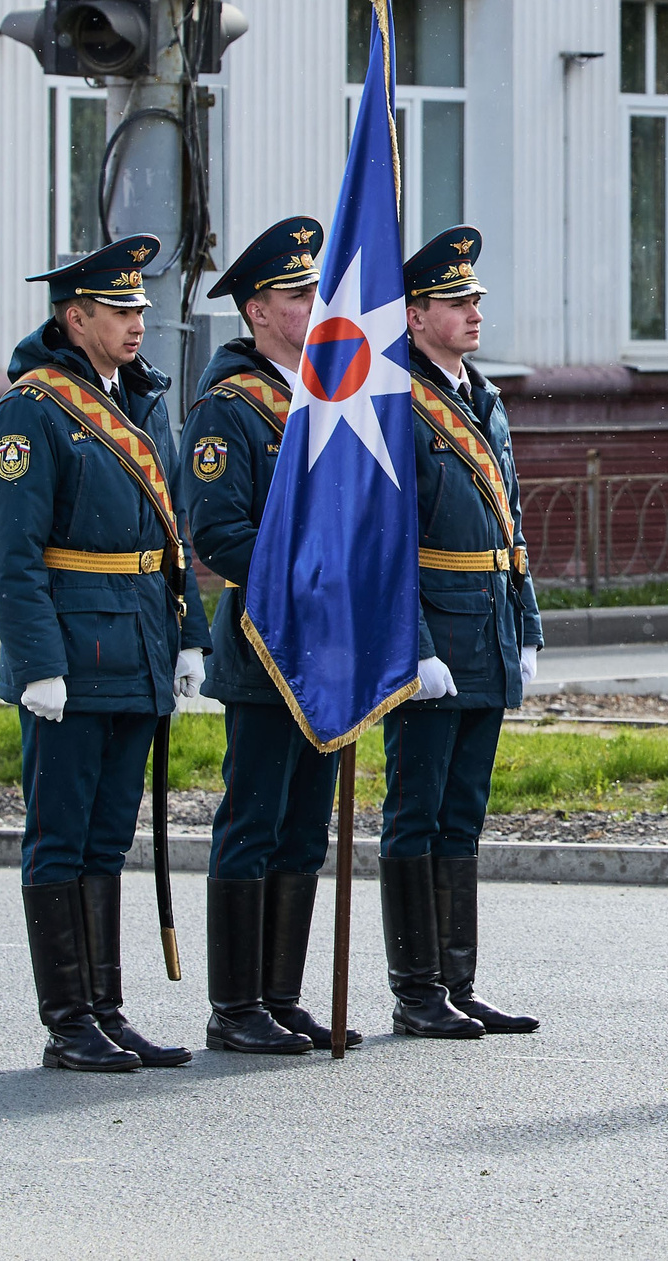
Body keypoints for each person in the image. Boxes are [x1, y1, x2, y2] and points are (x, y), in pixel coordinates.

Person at [0, 236, 212, 1073]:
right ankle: (68, 1020)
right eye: (120, 310)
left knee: (109, 837)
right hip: (73, 656)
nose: (137, 322)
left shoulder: (142, 401)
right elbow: (11, 552)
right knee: (61, 837)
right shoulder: (32, 410)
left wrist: (189, 635)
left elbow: (172, 531)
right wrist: (37, 661)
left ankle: (106, 1011)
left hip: (139, 644)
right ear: (75, 319)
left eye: (141, 307)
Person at [379, 225, 542, 1040]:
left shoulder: (483, 394)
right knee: (417, 811)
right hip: (435, 635)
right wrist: (413, 644)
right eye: (456, 301)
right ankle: (416, 989)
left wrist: (527, 622)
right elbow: (384, 541)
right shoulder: (392, 401)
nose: (474, 311)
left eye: (475, 298)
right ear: (414, 316)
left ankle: (458, 980)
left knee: (463, 813)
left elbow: (510, 517)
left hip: (488, 626)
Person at [184, 216, 342, 1056]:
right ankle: (235, 1004)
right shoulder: (230, 407)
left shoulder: (329, 396)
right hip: (266, 642)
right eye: (297, 294)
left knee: (306, 825)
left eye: (315, 290)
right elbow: (218, 532)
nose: (314, 304)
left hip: (330, 647)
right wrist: (307, 575)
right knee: (253, 820)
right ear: (256, 310)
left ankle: (281, 995)